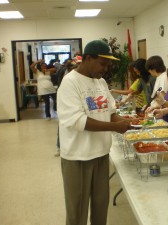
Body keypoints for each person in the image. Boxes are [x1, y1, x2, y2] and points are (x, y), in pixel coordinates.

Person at [57, 40, 131, 225]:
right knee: (77, 212)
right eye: (102, 64)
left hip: (101, 154)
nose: (105, 69)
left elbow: (111, 112)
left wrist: (124, 122)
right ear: (87, 58)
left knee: (100, 206)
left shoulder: (101, 82)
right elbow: (78, 120)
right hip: (77, 157)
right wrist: (115, 127)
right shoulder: (70, 83)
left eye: (108, 65)